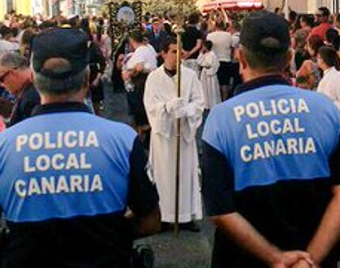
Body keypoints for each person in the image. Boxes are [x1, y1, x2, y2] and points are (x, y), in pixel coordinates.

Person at [202, 11, 340, 268]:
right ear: (288, 58)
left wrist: (277, 259)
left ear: (240, 57)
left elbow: (220, 210)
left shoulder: (221, 119)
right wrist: (310, 260)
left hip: (243, 260)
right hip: (316, 257)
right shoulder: (325, 109)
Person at [0, 27, 161, 267]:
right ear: (87, 79)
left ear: (32, 78)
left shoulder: (5, 145)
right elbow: (151, 221)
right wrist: (106, 235)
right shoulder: (122, 140)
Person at [143, 37, 206, 231]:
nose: (178, 55)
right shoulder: (154, 77)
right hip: (164, 136)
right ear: (163, 54)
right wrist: (167, 108)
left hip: (184, 134)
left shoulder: (189, 76)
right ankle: (165, 216)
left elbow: (199, 101)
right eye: (173, 51)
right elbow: (150, 105)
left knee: (186, 173)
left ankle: (186, 216)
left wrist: (186, 111)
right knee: (164, 176)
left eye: (180, 51)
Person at [0, 52, 40, 127]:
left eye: (1, 79)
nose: (2, 85)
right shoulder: (29, 90)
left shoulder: (31, 96)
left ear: (12, 73)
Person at [207, 20, 234, 101]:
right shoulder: (229, 35)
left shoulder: (210, 35)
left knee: (215, 82)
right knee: (225, 83)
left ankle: (216, 100)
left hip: (214, 60)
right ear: (223, 26)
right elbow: (231, 47)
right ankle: (225, 99)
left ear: (215, 26)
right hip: (226, 59)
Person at [197, 40, 221, 111]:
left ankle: (213, 103)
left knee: (212, 89)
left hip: (210, 74)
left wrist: (204, 64)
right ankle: (206, 103)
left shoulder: (212, 54)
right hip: (204, 74)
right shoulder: (205, 54)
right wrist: (201, 53)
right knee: (205, 89)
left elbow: (209, 64)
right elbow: (199, 61)